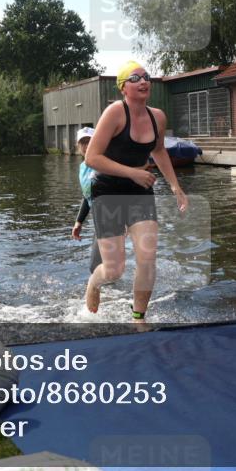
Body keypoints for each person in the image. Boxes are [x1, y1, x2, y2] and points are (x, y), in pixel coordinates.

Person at [84, 61, 188, 321]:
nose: (143, 82)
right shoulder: (115, 113)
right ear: (123, 88)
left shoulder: (158, 116)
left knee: (147, 258)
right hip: (108, 191)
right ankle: (94, 283)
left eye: (146, 77)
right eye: (135, 78)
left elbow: (159, 151)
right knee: (114, 269)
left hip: (140, 191)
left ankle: (138, 316)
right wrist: (133, 172)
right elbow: (91, 158)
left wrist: (176, 187)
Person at [71, 127, 103, 274]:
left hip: (112, 218)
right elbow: (87, 196)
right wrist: (79, 222)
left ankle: (109, 295)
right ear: (78, 146)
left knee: (96, 267)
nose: (86, 146)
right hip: (99, 221)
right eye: (82, 142)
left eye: (89, 141)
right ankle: (111, 294)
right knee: (101, 266)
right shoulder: (83, 167)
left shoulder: (104, 164)